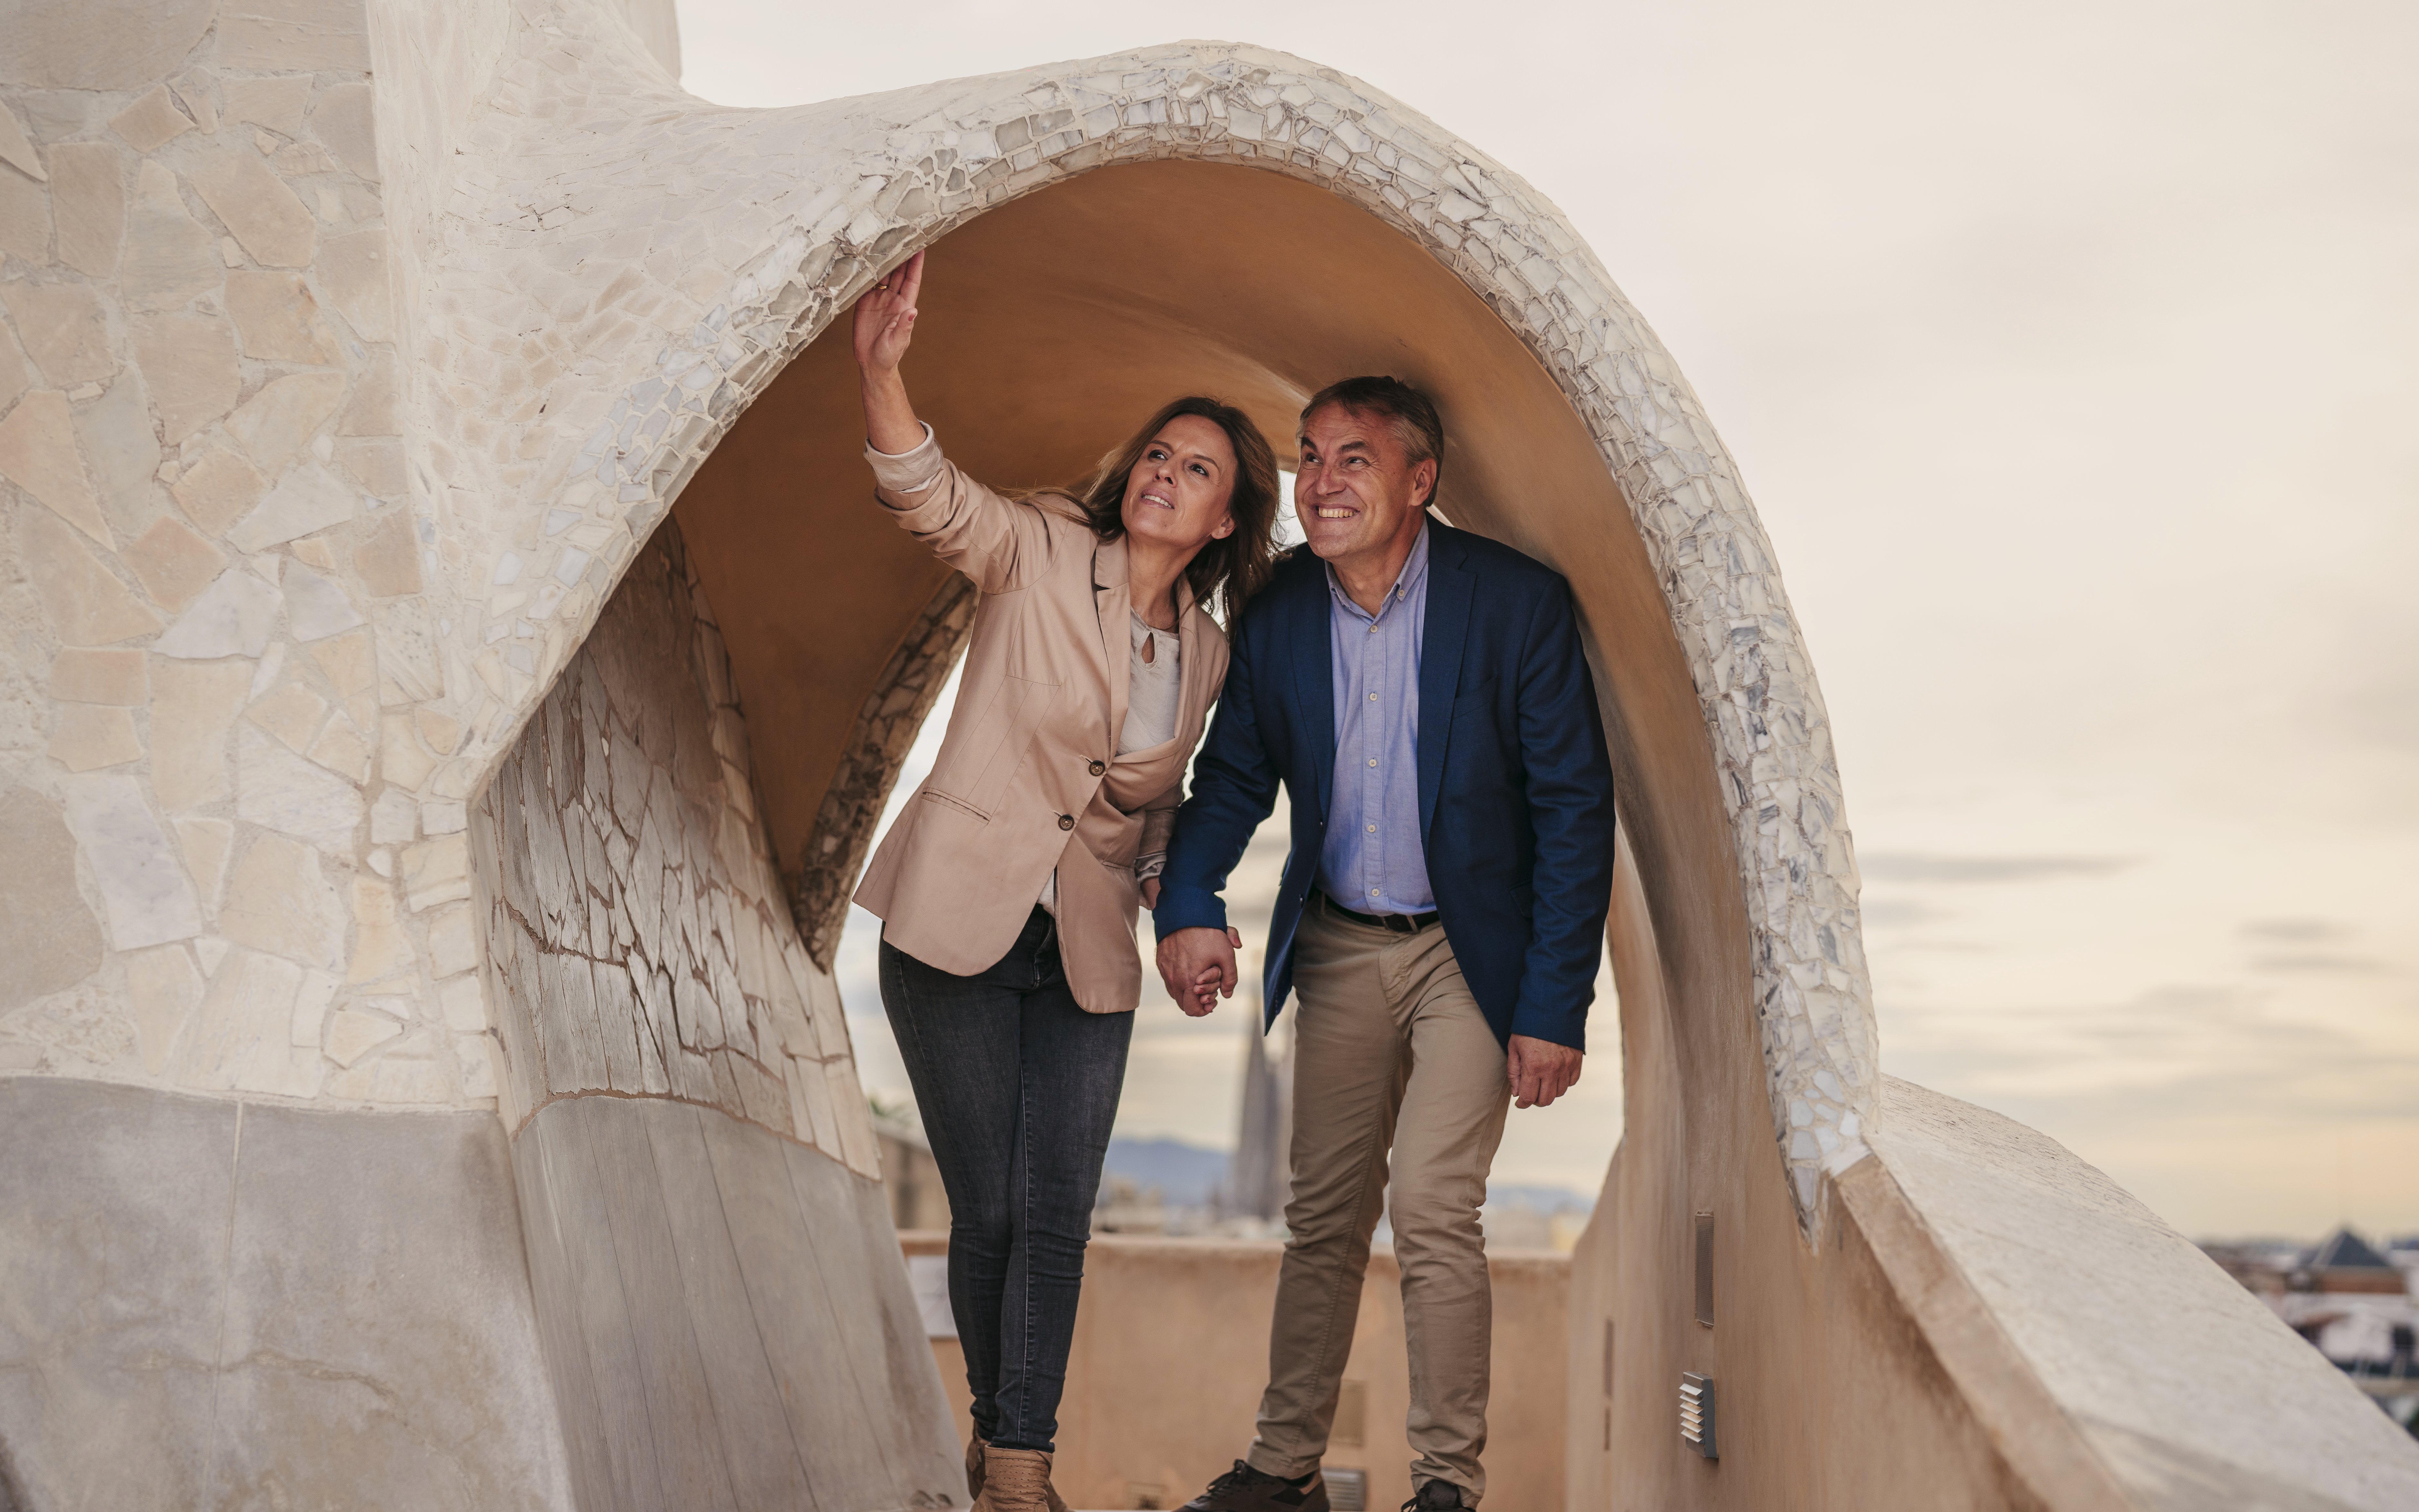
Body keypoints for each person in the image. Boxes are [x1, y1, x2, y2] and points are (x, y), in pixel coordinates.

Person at [850, 251, 1282, 1512]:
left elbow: (1146, 817)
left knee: (1058, 1212)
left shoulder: (1204, 659)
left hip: (1086, 950)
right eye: (1159, 453)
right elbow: (928, 497)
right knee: (989, 1209)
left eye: (1197, 470)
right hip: (956, 922)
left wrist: (1182, 910)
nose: (1165, 474)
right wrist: (884, 371)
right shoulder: (1041, 548)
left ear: (1222, 521)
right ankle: (1018, 1465)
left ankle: (1015, 1469)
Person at [1154, 377, 1616, 1512]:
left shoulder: (1515, 606)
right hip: (1339, 944)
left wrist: (1554, 1005)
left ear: (1421, 481)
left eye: (1354, 458)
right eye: (1310, 455)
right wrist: (1188, 902)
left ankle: (1446, 1484)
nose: (1320, 480)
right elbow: (1231, 786)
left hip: (1471, 955)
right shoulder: (1276, 616)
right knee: (1322, 1216)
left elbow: (1573, 809)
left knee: (1431, 1207)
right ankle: (1282, 1467)